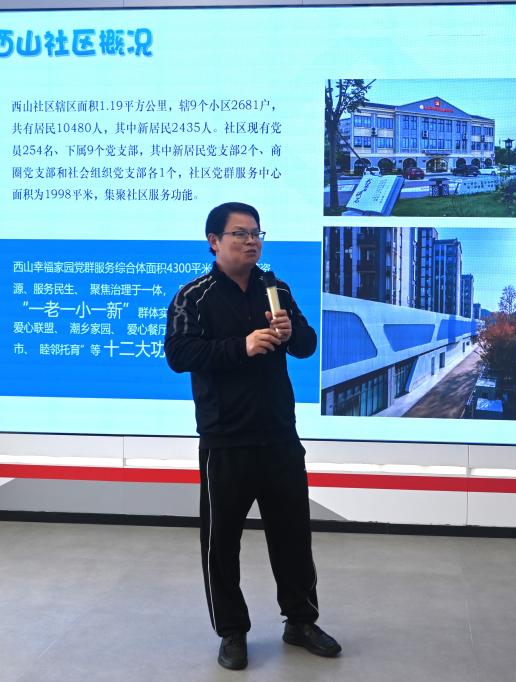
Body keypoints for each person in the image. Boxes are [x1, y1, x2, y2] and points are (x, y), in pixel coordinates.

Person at [164, 202, 341, 671]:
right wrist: (240, 346)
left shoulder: (275, 288)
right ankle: (232, 631)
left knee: (293, 536)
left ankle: (300, 621)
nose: (251, 241)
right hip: (226, 439)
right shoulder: (193, 296)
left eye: (256, 233)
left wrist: (290, 332)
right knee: (222, 543)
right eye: (240, 233)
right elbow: (179, 354)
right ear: (214, 242)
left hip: (280, 435)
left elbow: (307, 345)